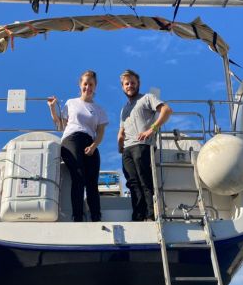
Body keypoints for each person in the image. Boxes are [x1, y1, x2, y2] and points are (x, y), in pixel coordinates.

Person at [47, 70, 108, 222]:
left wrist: (94, 146)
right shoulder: (71, 103)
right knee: (78, 176)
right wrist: (52, 108)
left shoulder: (99, 109)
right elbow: (61, 125)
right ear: (80, 85)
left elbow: (100, 132)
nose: (88, 87)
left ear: (95, 87)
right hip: (71, 139)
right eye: (85, 84)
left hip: (90, 142)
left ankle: (96, 216)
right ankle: (78, 216)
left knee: (92, 181)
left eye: (91, 84)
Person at [117, 70, 172, 221]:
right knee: (132, 183)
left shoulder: (147, 98)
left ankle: (150, 215)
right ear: (123, 87)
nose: (130, 86)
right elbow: (121, 130)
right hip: (127, 149)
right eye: (127, 84)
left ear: (138, 84)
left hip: (142, 145)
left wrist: (151, 130)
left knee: (144, 180)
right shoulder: (124, 109)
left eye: (133, 83)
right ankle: (138, 215)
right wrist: (119, 142)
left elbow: (166, 110)